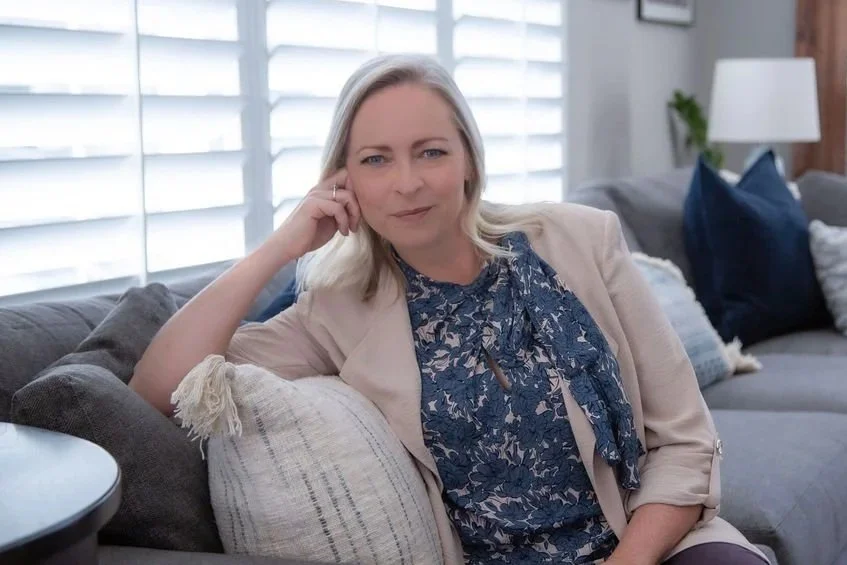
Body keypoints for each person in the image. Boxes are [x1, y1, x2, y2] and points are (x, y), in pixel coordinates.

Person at [129, 54, 768, 565]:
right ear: (344, 181)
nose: (407, 182)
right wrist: (282, 244)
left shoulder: (582, 240)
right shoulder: (338, 310)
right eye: (376, 160)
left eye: (430, 151)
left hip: (648, 542)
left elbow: (685, 439)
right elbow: (160, 388)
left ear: (467, 159)